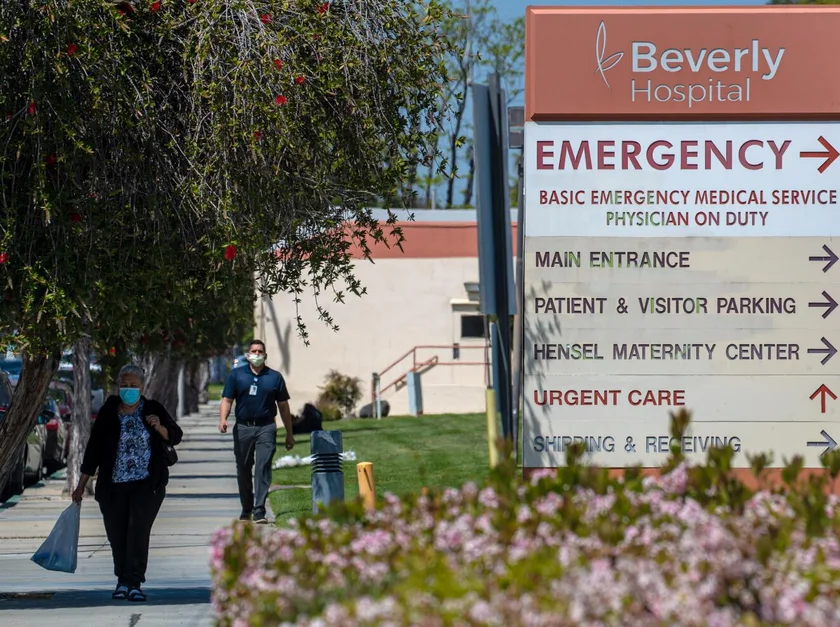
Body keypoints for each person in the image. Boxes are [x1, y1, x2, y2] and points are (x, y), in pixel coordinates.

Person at [72, 364, 183, 602]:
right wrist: (81, 485)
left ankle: (134, 582)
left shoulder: (152, 409)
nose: (128, 390)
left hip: (147, 484)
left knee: (138, 532)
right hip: (113, 486)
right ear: (118, 386)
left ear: (142, 387)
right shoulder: (108, 412)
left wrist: (160, 427)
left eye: (133, 386)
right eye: (124, 385)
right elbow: (93, 451)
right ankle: (122, 580)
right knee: (117, 535)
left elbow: (176, 435)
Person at [219, 339, 294, 524]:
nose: (257, 354)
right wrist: (223, 419)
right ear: (247, 355)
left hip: (266, 427)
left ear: (265, 355)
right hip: (243, 427)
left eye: (260, 351)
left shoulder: (274, 377)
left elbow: (283, 407)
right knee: (243, 469)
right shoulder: (237, 375)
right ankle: (246, 507)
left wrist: (290, 433)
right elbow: (227, 399)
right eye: (254, 351)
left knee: (263, 466)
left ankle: (259, 509)